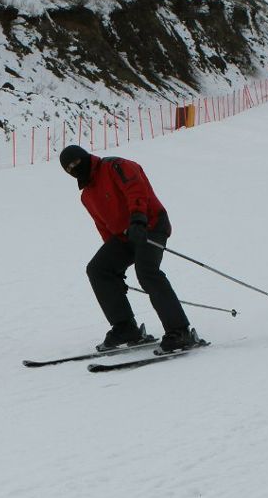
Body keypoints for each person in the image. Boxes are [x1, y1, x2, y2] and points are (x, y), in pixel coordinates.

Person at [58, 144, 204, 353]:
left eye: (76, 162)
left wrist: (138, 219)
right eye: (69, 168)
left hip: (150, 225)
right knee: (99, 269)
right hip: (124, 236)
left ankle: (179, 331)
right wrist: (114, 265)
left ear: (86, 157)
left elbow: (136, 189)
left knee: (146, 272)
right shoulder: (87, 195)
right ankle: (125, 327)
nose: (74, 168)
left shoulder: (115, 166)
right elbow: (103, 225)